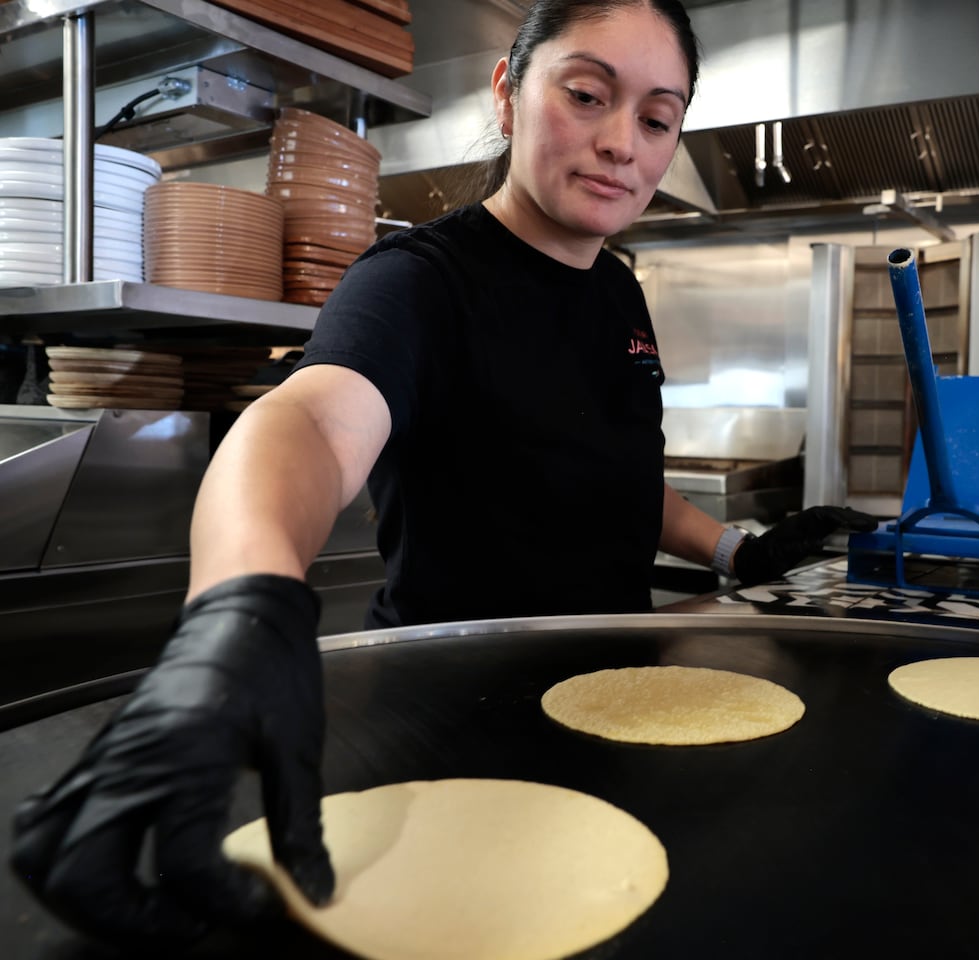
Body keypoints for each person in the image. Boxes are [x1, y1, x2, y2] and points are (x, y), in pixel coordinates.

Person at [9, 0, 876, 948]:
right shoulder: (420, 281)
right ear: (508, 94)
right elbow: (303, 424)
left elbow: (614, 476)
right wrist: (242, 601)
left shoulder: (619, 290)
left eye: (658, 118)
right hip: (453, 711)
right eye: (587, 95)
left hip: (628, 699)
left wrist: (733, 549)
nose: (621, 142)